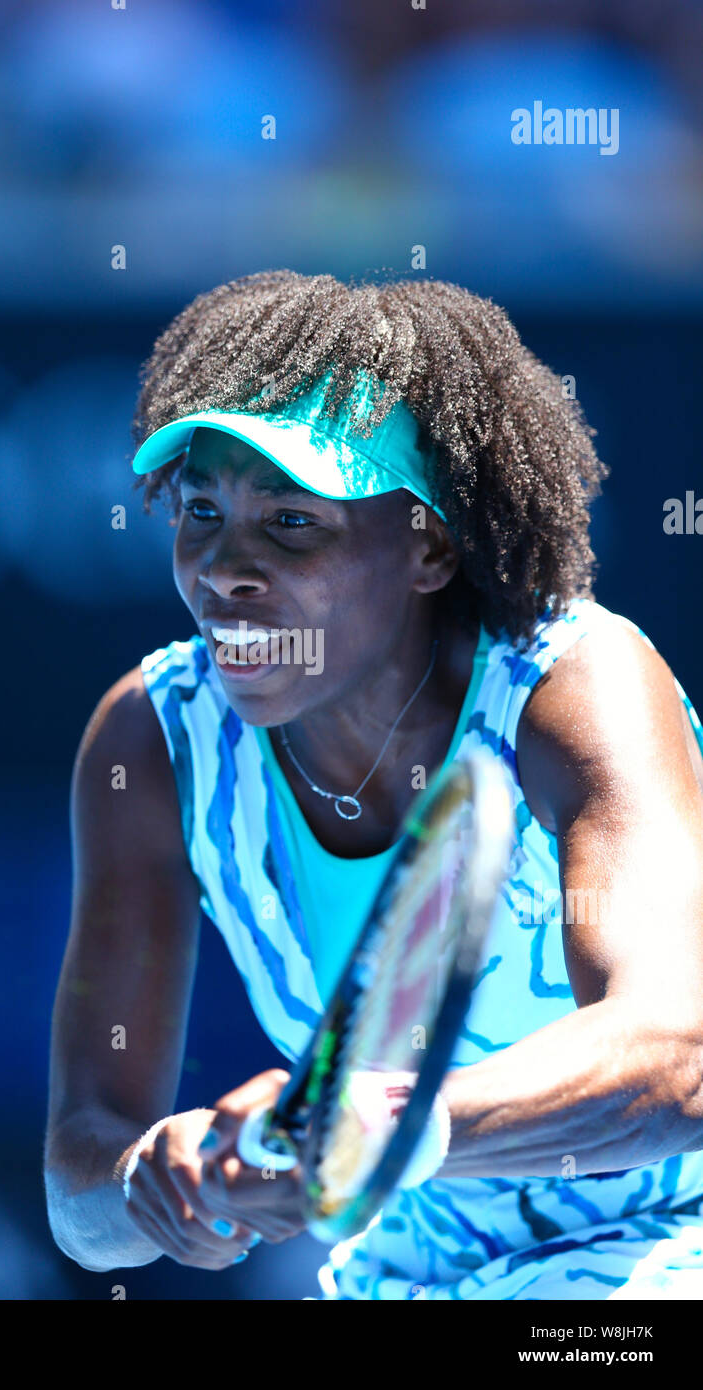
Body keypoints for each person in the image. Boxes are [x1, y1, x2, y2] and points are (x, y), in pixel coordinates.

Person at [44, 270, 703, 1299]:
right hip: (416, 1267)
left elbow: (673, 1054)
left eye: (291, 522)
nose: (223, 567)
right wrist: (153, 1181)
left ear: (428, 545)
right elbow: (78, 1192)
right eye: (201, 510)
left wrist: (376, 1128)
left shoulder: (574, 683)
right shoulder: (148, 739)